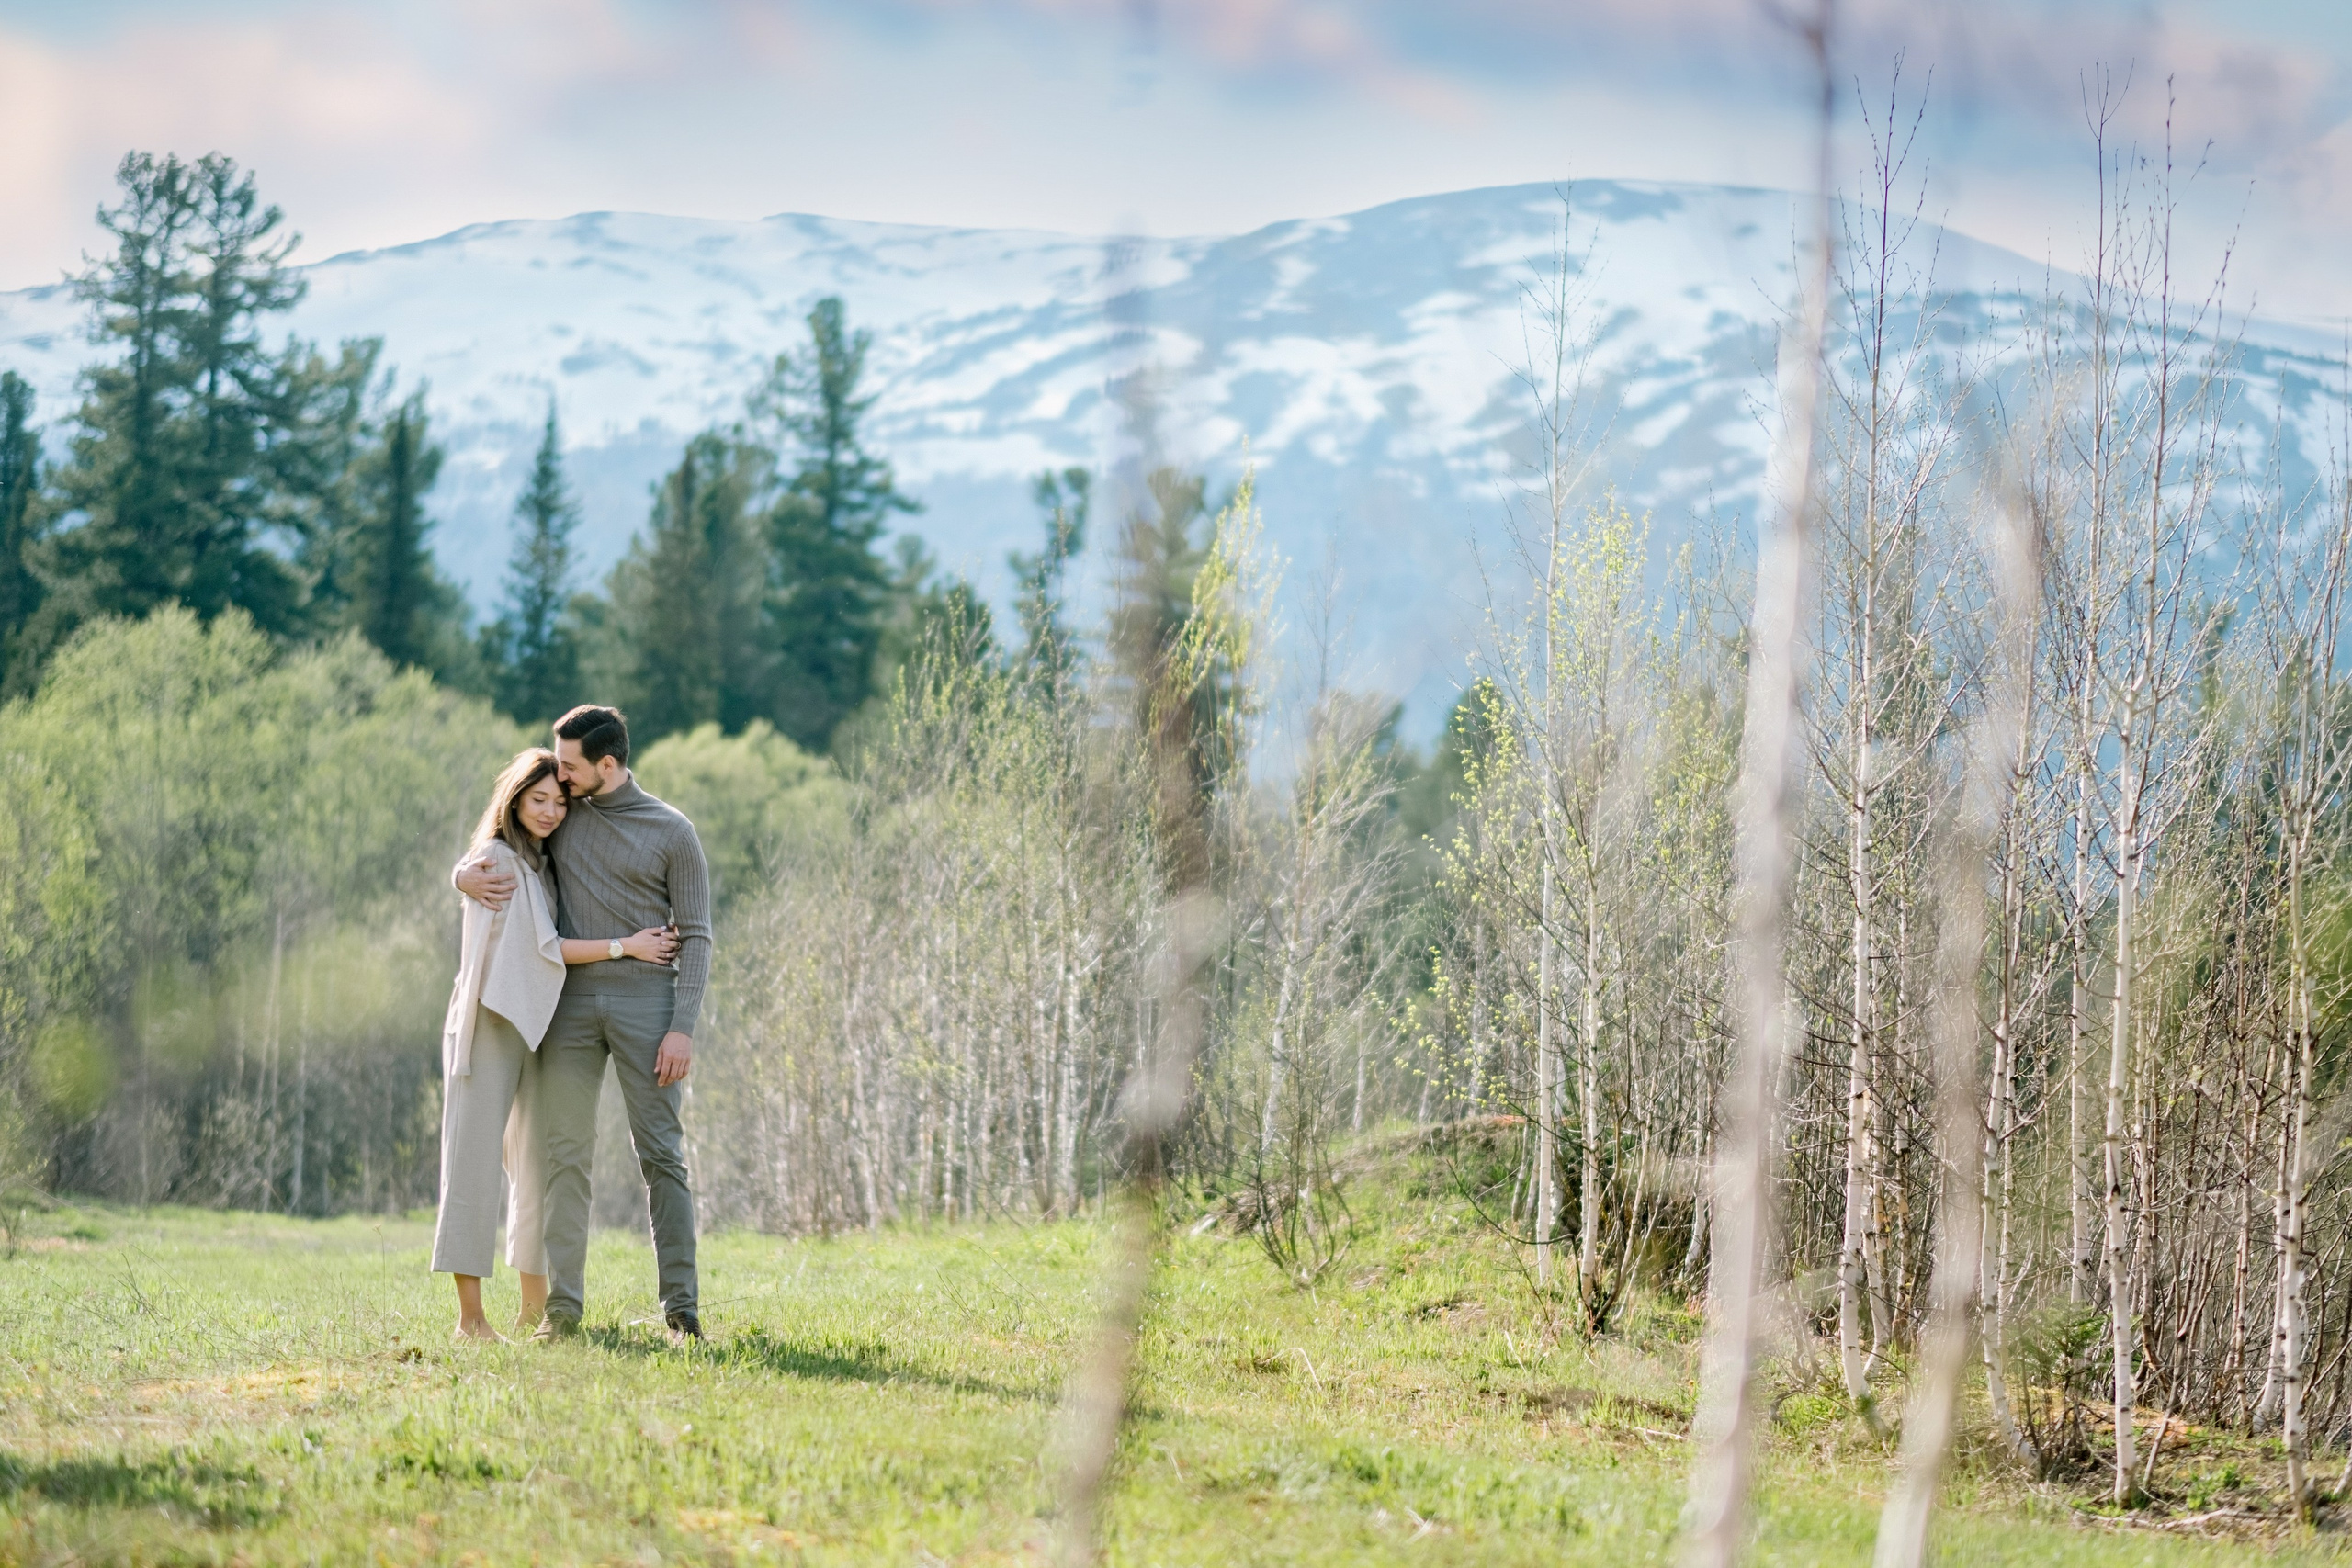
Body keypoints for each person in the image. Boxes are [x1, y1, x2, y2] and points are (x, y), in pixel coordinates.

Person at [456, 705, 714, 1347]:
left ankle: (681, 1313)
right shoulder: (561, 818)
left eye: (570, 766)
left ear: (607, 764)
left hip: (648, 1010)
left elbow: (698, 934)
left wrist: (682, 1026)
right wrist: (459, 875)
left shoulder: (673, 831)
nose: (559, 778)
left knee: (661, 1155)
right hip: (567, 1011)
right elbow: (499, 844)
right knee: (564, 1156)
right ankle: (563, 1312)